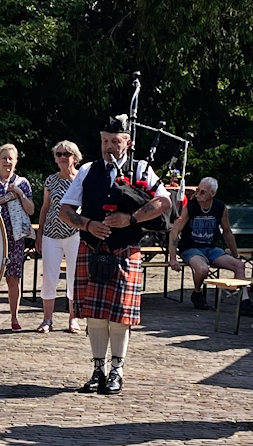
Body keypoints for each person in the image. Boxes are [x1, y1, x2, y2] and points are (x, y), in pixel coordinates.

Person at [60, 114, 172, 394]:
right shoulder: (87, 170)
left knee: (120, 316)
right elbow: (65, 210)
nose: (109, 147)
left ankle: (117, 371)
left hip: (125, 249)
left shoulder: (141, 169)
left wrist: (131, 218)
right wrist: (88, 224)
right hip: (92, 248)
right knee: (96, 315)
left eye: (115, 142)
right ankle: (97, 370)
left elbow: (164, 201)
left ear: (127, 142)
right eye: (105, 141)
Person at [169, 177, 253, 315]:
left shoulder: (220, 207)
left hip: (211, 248)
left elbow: (227, 232)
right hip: (191, 248)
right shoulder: (190, 207)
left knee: (239, 265)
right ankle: (197, 293)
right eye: (197, 191)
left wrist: (235, 254)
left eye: (203, 192)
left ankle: (244, 302)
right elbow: (175, 231)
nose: (198, 194)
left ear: (212, 193)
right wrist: (173, 257)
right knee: (202, 269)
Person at [0, 143, 34, 331]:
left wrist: (19, 194)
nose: (7, 162)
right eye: (4, 158)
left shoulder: (22, 183)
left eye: (11, 158)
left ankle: (14, 318)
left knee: (13, 278)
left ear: (16, 161)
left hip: (15, 237)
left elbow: (31, 210)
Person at [35, 140, 83, 333]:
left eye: (67, 154)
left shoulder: (82, 179)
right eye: (59, 154)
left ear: (75, 157)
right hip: (51, 235)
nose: (63, 157)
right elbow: (45, 208)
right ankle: (47, 319)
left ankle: (73, 319)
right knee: (49, 276)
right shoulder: (51, 180)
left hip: (75, 234)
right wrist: (39, 234)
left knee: (74, 277)